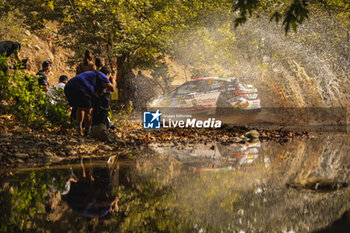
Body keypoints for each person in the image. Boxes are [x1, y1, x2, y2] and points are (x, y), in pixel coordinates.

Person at [64, 70, 116, 136]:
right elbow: (113, 89)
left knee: (80, 108)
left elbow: (96, 92)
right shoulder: (102, 75)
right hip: (80, 89)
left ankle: (79, 129)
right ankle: (87, 131)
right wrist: (113, 80)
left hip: (68, 87)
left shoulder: (91, 76)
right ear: (108, 74)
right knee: (88, 110)